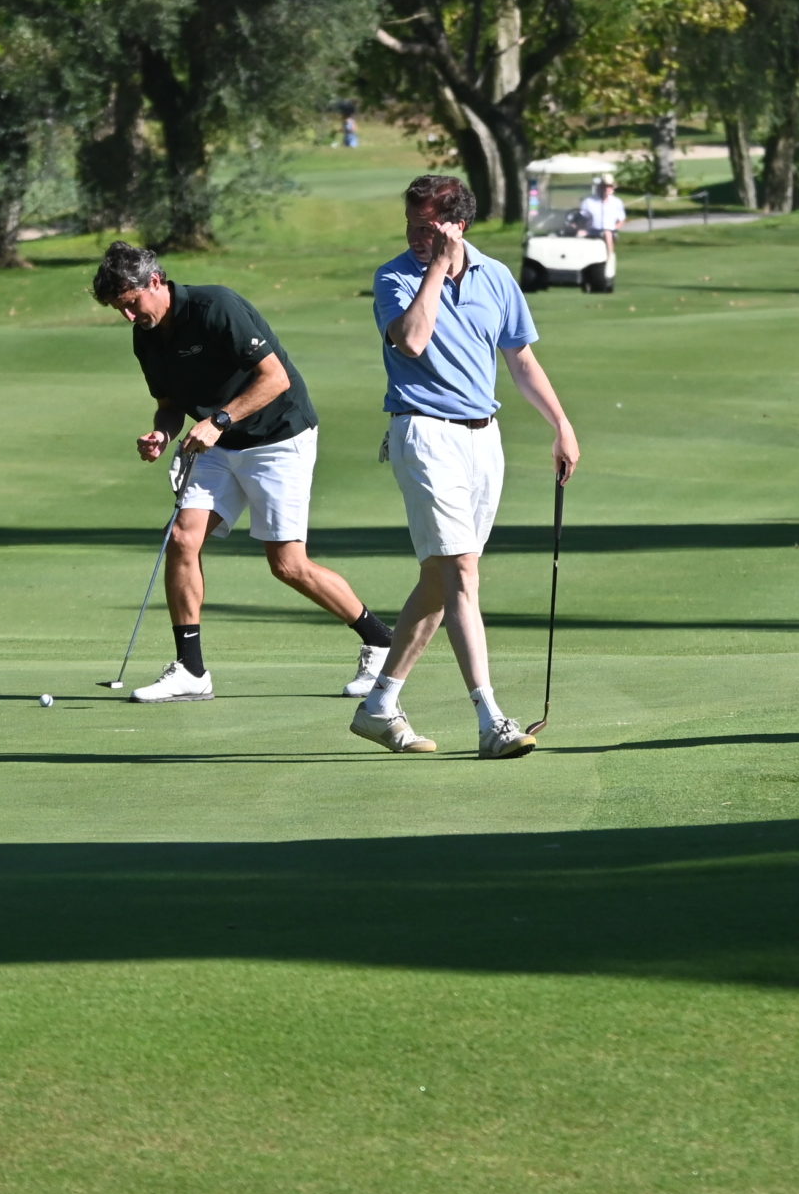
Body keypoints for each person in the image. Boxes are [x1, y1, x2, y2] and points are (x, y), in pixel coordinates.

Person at [92, 241, 399, 704]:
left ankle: (380, 640)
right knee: (181, 539)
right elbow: (169, 405)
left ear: (155, 281)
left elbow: (276, 378)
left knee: (288, 565)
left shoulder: (217, 307)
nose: (129, 316)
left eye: (131, 303)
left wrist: (218, 421)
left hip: (278, 438)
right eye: (120, 309)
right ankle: (191, 670)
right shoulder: (146, 335)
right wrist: (161, 433)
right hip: (218, 443)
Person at [352, 175, 581, 758]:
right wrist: (435, 266)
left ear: (459, 225)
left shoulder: (496, 277)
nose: (417, 235)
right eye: (412, 225)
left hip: (483, 439)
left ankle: (379, 705)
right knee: (461, 573)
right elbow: (412, 340)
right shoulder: (395, 277)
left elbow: (520, 359)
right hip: (423, 432)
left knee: (440, 579)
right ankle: (490, 720)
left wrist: (560, 424)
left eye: (429, 227)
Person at [574, 174, 627, 252]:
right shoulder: (589, 201)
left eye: (609, 186)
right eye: (605, 186)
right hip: (592, 230)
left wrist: (613, 228)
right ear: (600, 187)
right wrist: (582, 229)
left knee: (607, 233)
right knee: (579, 234)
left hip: (610, 231)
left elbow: (621, 221)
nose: (607, 189)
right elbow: (581, 218)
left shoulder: (617, 202)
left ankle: (609, 255)